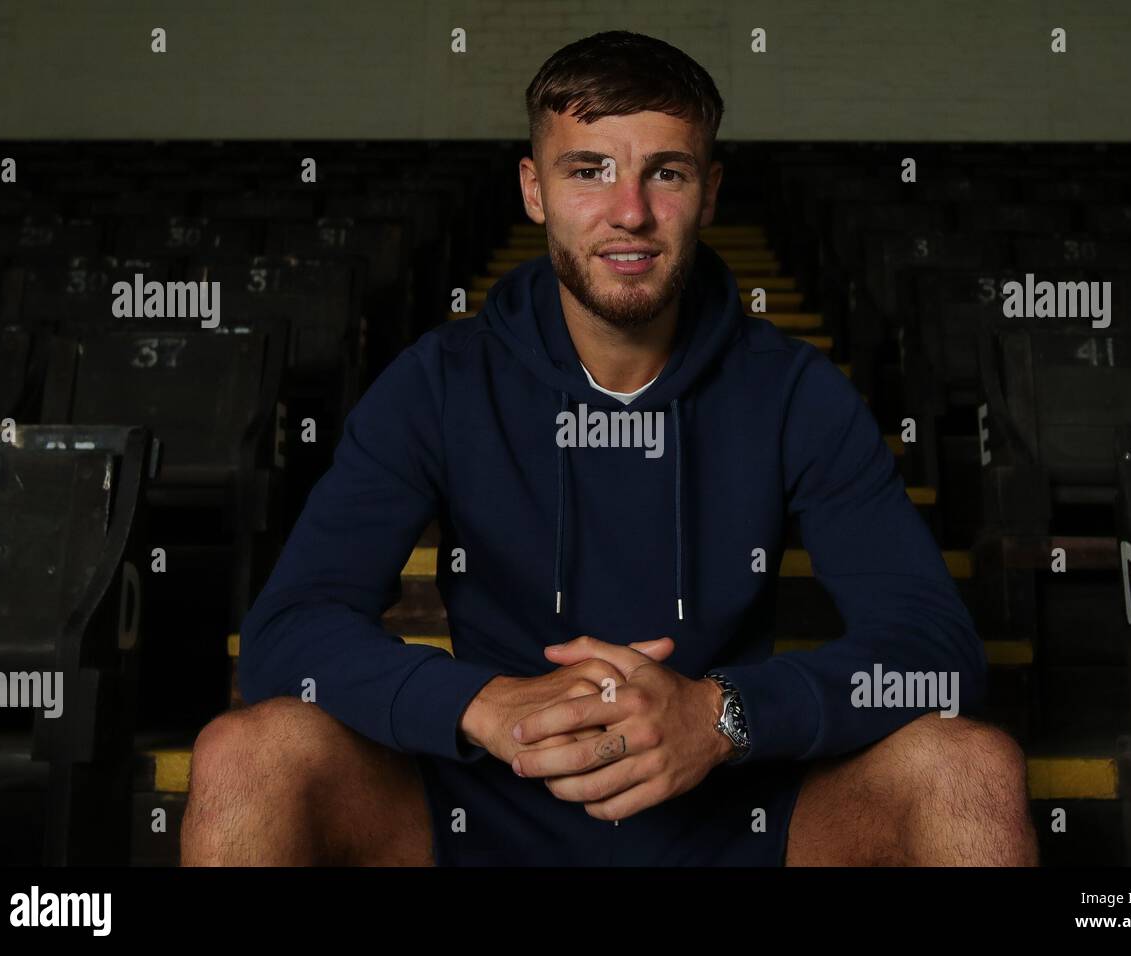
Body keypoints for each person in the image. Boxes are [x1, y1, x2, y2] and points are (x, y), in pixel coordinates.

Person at [182, 30, 1037, 866]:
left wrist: (723, 715)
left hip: (727, 807)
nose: (630, 211)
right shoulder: (438, 381)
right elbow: (286, 635)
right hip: (491, 796)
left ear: (708, 192)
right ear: (533, 189)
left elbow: (935, 653)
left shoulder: (795, 391)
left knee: (968, 766)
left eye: (665, 172)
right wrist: (478, 702)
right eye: (588, 170)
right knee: (247, 754)